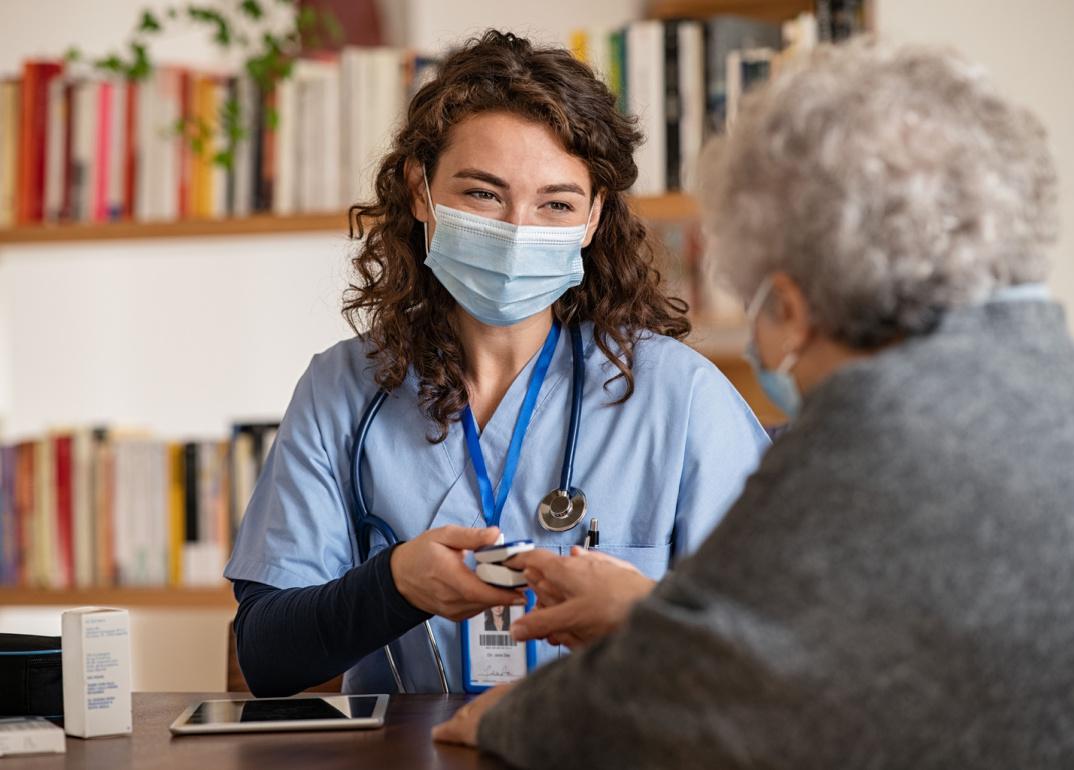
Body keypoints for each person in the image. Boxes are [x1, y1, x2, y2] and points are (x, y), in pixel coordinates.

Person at [433, 39, 1074, 768]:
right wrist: (650, 616)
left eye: (759, 309)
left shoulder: (873, 425)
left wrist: (508, 721)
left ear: (795, 309)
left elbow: (704, 693)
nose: (768, 353)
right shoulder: (1049, 372)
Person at [224, 30, 768, 697]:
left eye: (556, 204)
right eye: (483, 195)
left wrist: (637, 615)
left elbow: (770, 647)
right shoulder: (344, 391)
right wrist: (393, 584)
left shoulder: (680, 398)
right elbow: (267, 656)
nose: (517, 230)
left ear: (594, 218)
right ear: (419, 191)